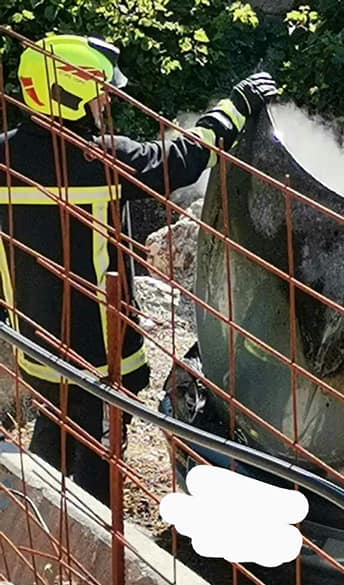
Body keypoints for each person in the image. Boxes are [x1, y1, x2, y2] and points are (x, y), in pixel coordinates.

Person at [0, 34, 277, 504]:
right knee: (96, 470)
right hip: (103, 354)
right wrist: (234, 106)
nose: (106, 102)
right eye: (98, 93)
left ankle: (41, 516)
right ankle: (95, 551)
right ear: (68, 95)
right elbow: (184, 160)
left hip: (36, 345)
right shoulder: (101, 158)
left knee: (54, 432)